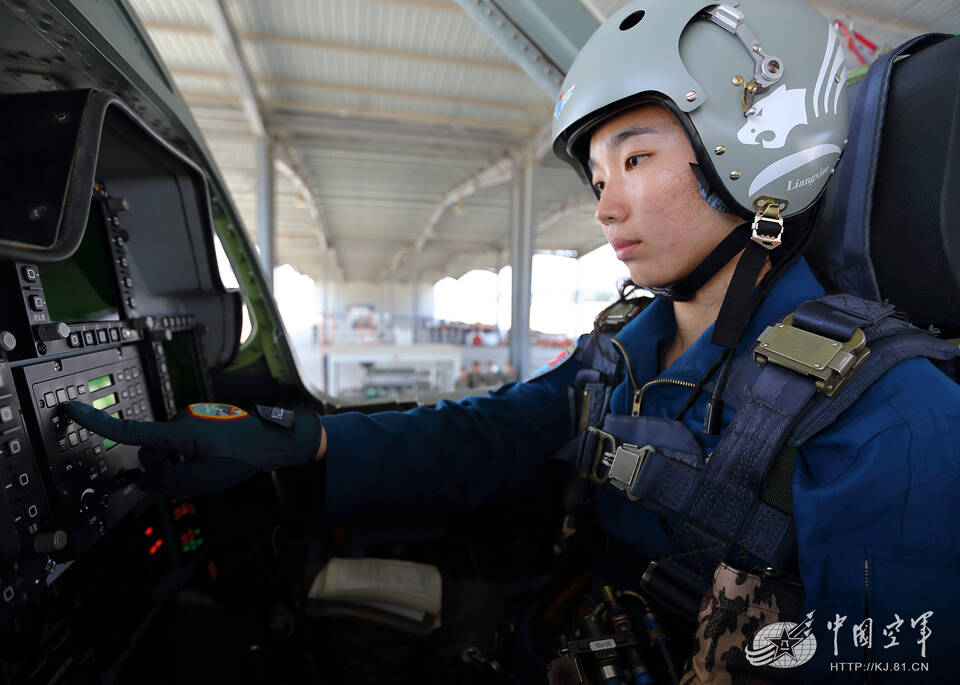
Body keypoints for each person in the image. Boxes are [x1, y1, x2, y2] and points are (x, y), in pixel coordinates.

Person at [66, 1, 960, 681]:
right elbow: (492, 432)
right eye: (598, 172)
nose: (605, 204)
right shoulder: (622, 349)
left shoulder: (887, 412)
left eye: (636, 159)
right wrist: (301, 441)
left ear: (761, 153)